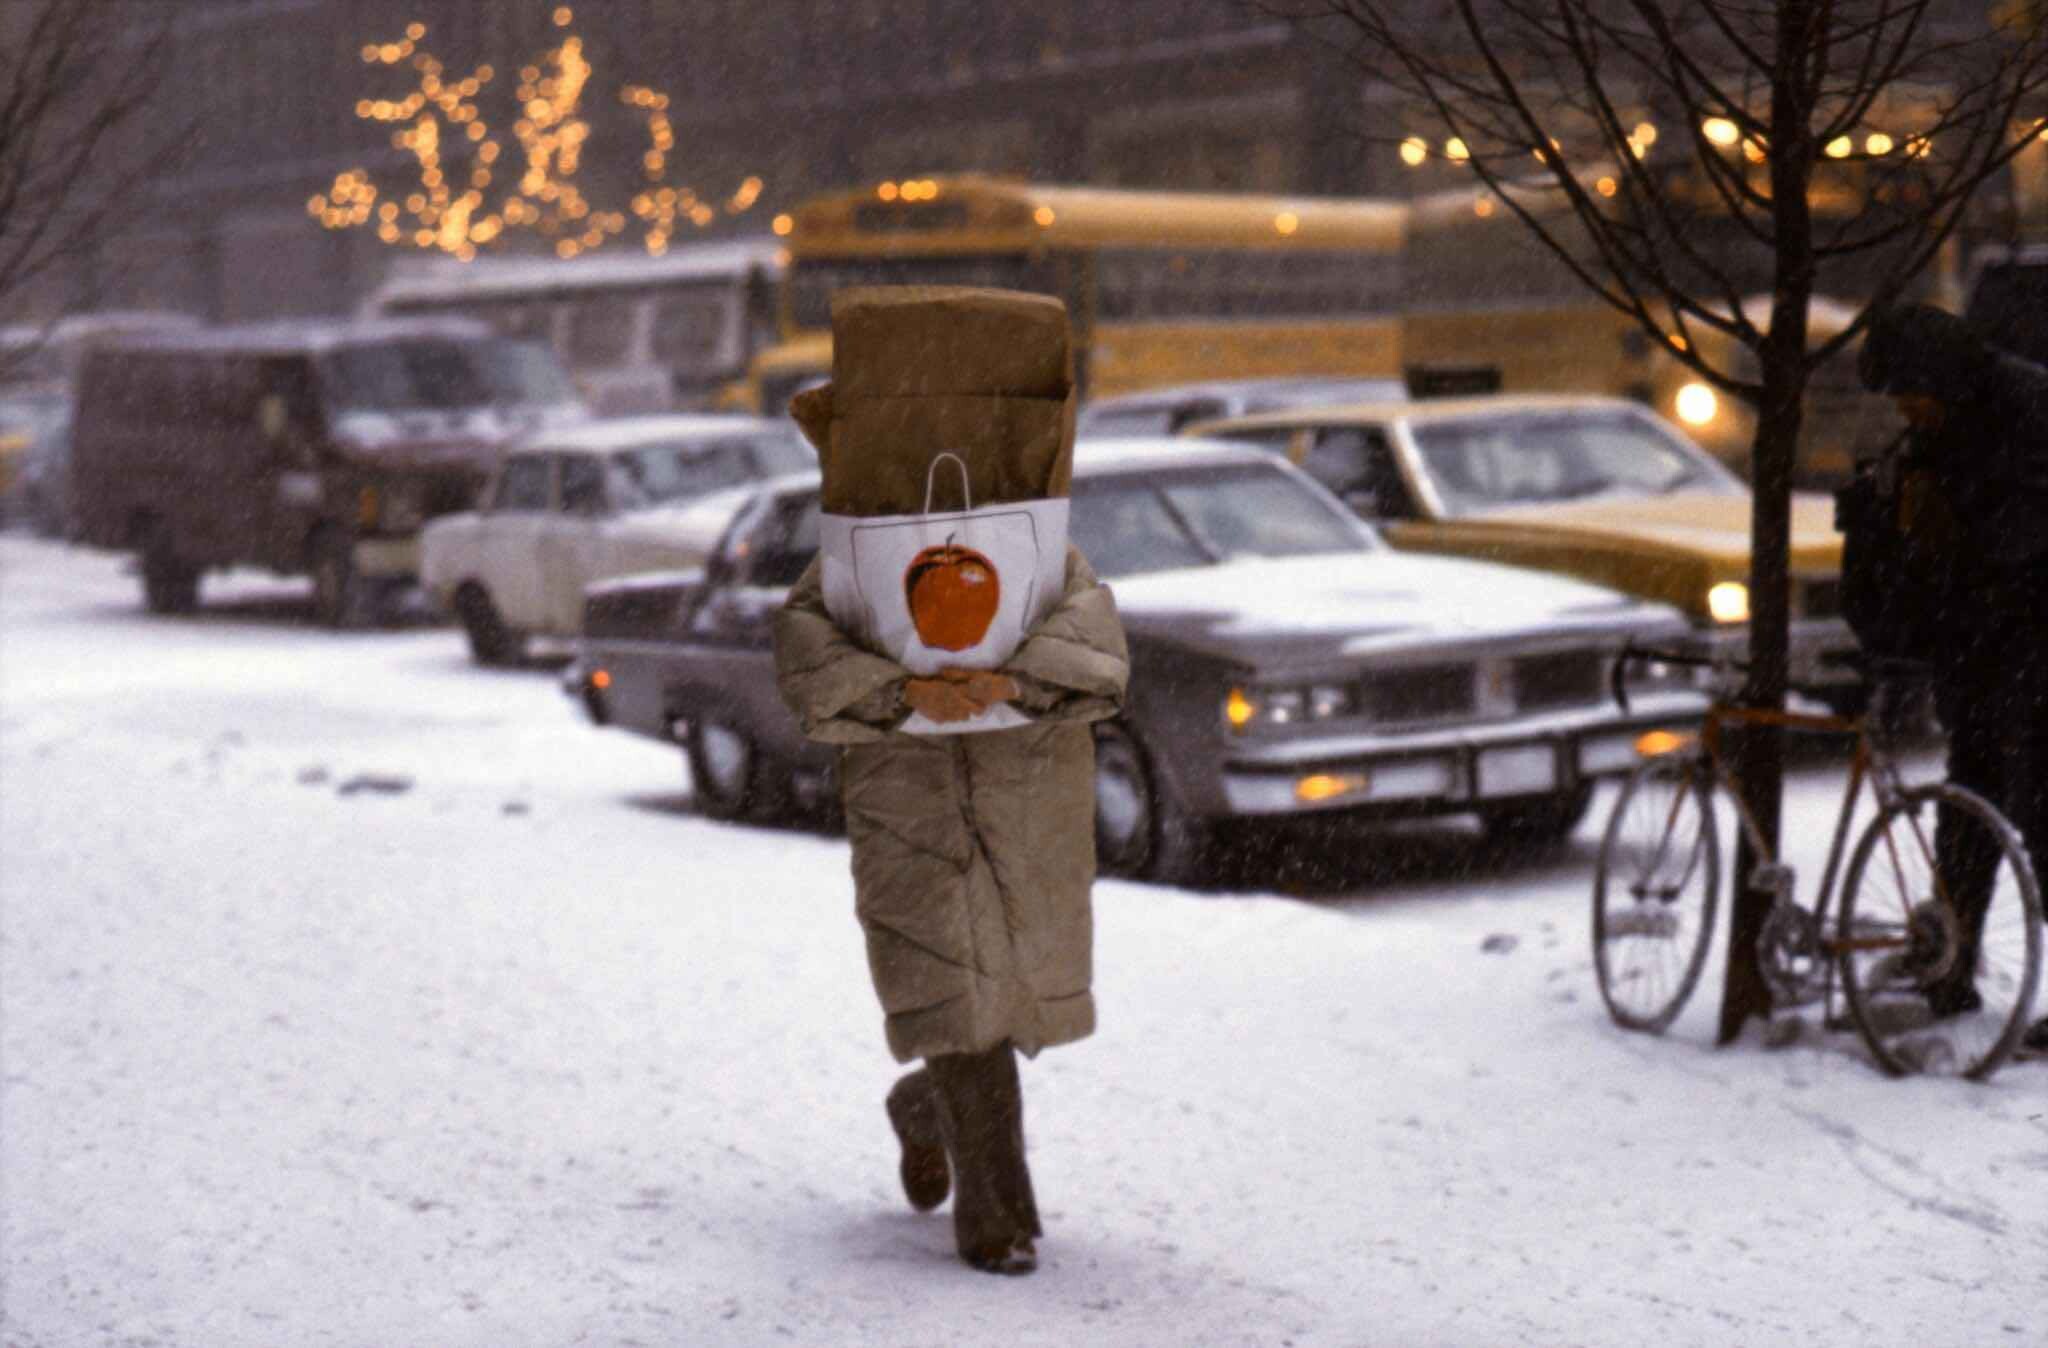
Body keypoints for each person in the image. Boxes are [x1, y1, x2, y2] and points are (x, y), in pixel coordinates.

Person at [774, 543, 1129, 1272]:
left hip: (1022, 796)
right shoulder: (857, 546)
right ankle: (998, 1221)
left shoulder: (1034, 540)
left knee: (998, 998)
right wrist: (902, 692)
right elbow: (805, 654)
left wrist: (1014, 682)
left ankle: (921, 1108)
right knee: (956, 999)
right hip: (909, 800)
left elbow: (1096, 643)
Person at [1856, 302, 2048, 1051]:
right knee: (1968, 816)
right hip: (1984, 659)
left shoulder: (2025, 410)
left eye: (1910, 392)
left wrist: (1955, 536)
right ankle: (1947, 965)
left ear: (1939, 376)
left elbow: (2017, 536)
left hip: (2033, 654)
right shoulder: (1945, 427)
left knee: (2042, 817)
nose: (1906, 409)